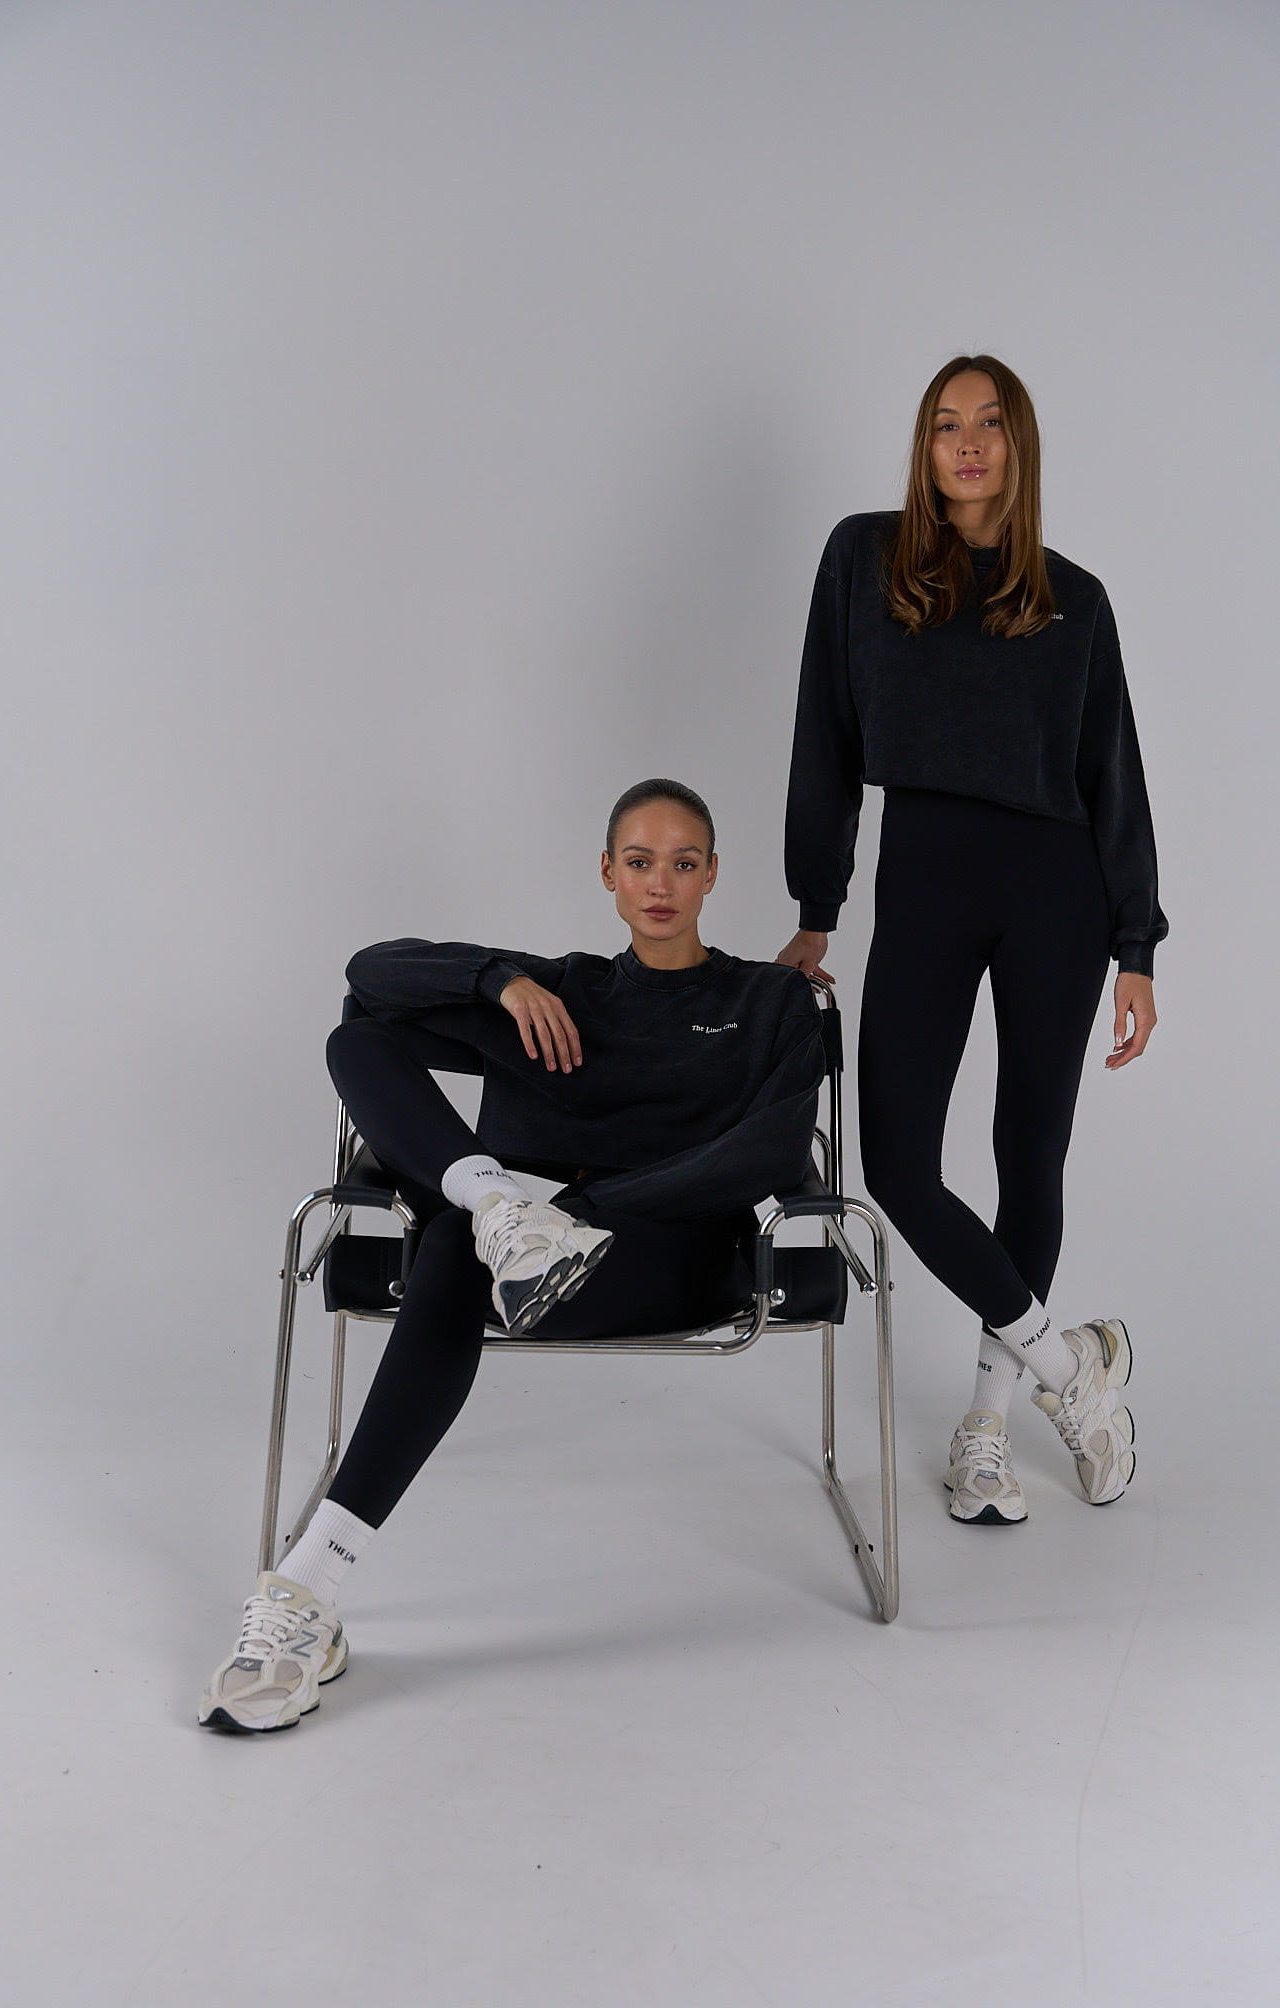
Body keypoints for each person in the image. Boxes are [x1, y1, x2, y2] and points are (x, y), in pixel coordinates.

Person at [201, 778, 825, 1732]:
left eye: (682, 863)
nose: (660, 883)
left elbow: (775, 1153)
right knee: (359, 1051)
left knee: (458, 1248)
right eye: (639, 861)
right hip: (510, 1252)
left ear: (711, 876)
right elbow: (371, 980)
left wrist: (579, 1211)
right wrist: (500, 980)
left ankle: (307, 1582)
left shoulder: (767, 997)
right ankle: (491, 1204)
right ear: (607, 874)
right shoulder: (567, 988)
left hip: (674, 1258)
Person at [778, 354, 1166, 1527]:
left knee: (1027, 1151)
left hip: (1058, 888)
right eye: (946, 423)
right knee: (897, 1162)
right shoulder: (865, 561)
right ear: (925, 445)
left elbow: (1114, 773)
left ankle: (988, 1429)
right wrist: (816, 905)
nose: (968, 443)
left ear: (1018, 443)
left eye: (990, 423)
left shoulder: (1074, 599)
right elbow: (823, 731)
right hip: (928, 876)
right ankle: (1070, 1366)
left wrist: (1136, 944)